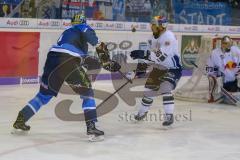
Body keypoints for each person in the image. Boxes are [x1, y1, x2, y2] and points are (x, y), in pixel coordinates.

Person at [12, 12, 121, 141]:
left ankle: (21, 119)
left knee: (43, 96)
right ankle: (91, 127)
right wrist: (106, 61)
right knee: (87, 93)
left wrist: (98, 62)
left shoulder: (68, 32)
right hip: (68, 61)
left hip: (52, 60)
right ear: (83, 22)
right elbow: (97, 44)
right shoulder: (83, 28)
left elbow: (78, 55)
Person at [130, 16, 182, 126]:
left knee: (165, 87)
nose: (152, 27)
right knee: (149, 91)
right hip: (159, 68)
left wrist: (144, 54)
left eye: (154, 25)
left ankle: (169, 116)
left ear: (162, 26)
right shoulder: (151, 38)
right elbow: (150, 57)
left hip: (173, 68)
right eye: (152, 24)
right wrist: (141, 69)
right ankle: (142, 113)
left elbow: (161, 56)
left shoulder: (169, 37)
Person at [207, 36, 240, 104]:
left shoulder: (236, 50)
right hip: (222, 80)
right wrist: (215, 75)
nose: (228, 46)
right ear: (222, 44)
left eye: (229, 44)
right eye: (225, 44)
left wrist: (238, 72)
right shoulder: (215, 53)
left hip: (234, 79)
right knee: (211, 78)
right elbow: (210, 68)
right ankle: (212, 95)